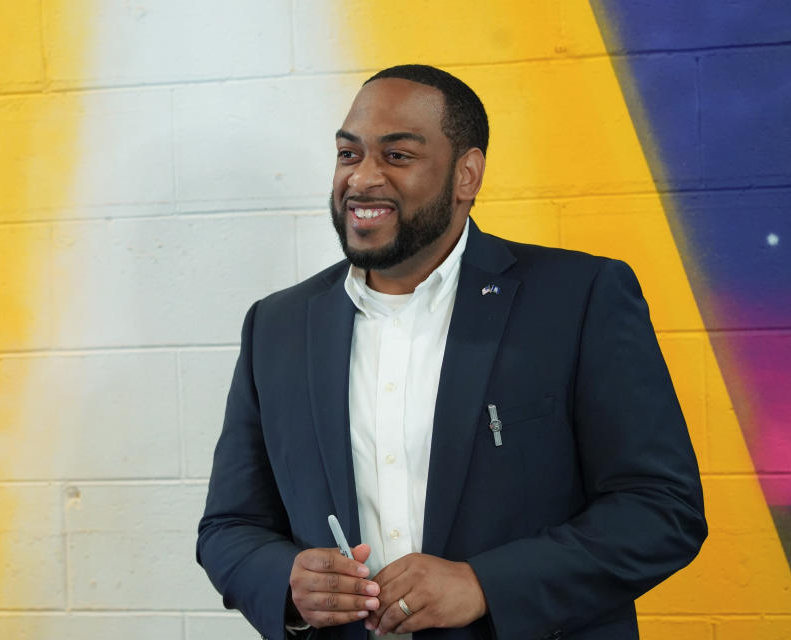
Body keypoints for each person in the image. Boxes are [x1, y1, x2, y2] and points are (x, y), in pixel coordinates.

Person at [197, 64, 706, 640]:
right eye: (348, 154)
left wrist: (485, 583)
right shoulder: (278, 325)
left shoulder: (579, 298)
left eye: (397, 156)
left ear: (467, 174)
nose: (362, 179)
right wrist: (287, 582)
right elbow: (229, 525)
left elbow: (662, 509)